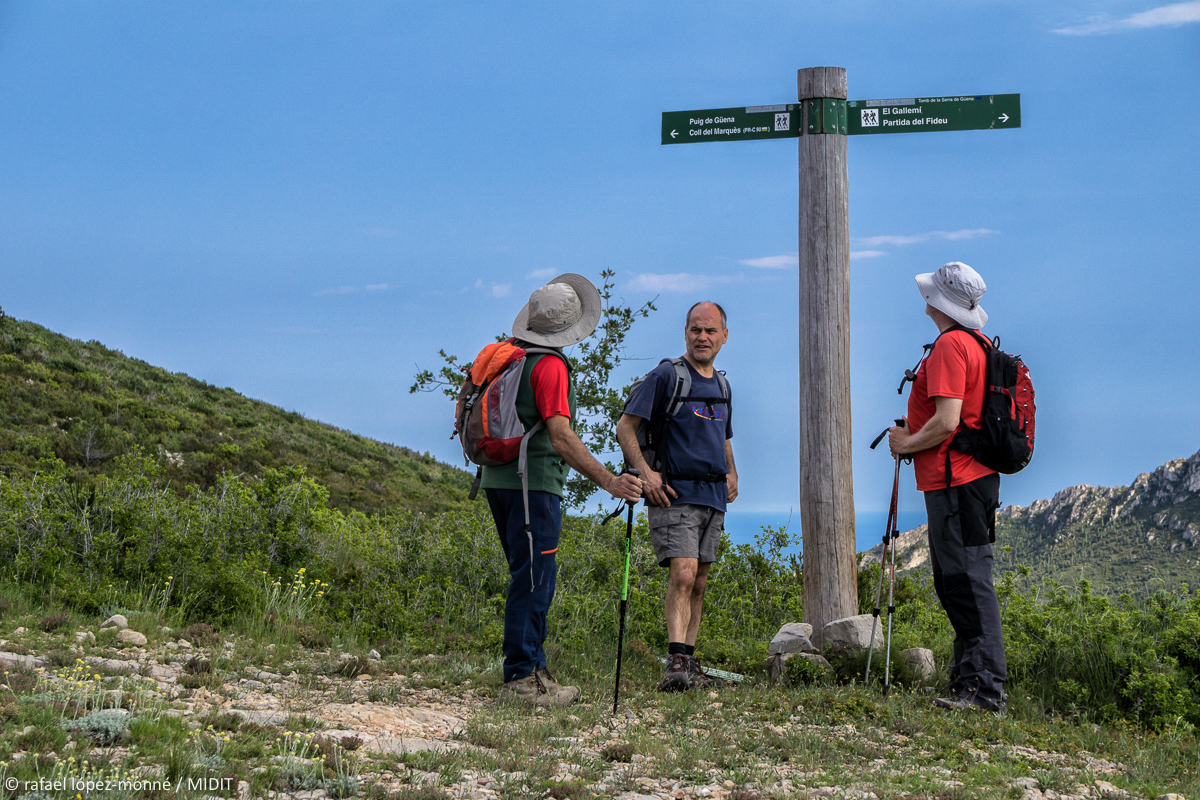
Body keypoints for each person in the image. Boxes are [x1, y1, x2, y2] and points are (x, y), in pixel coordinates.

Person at [483, 273, 643, 708]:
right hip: (533, 485)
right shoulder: (550, 366)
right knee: (535, 580)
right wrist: (609, 480)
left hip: (497, 479)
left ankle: (534, 672)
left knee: (528, 575)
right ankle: (521, 680)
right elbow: (561, 436)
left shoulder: (510, 356)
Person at [888, 261, 1006, 713]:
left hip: (956, 482)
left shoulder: (950, 346)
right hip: (973, 480)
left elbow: (947, 421)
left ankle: (984, 689)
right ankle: (969, 680)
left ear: (938, 301)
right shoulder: (976, 342)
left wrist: (906, 443)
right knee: (961, 579)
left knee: (965, 581)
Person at [616, 301, 737, 692]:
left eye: (710, 331)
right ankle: (675, 665)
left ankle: (688, 660)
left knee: (699, 581)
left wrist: (732, 472)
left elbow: (723, 435)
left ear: (724, 336)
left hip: (712, 494)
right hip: (674, 493)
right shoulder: (667, 375)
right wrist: (646, 474)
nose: (702, 337)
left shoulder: (722, 385)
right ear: (685, 332)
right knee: (683, 573)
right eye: (695, 330)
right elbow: (625, 426)